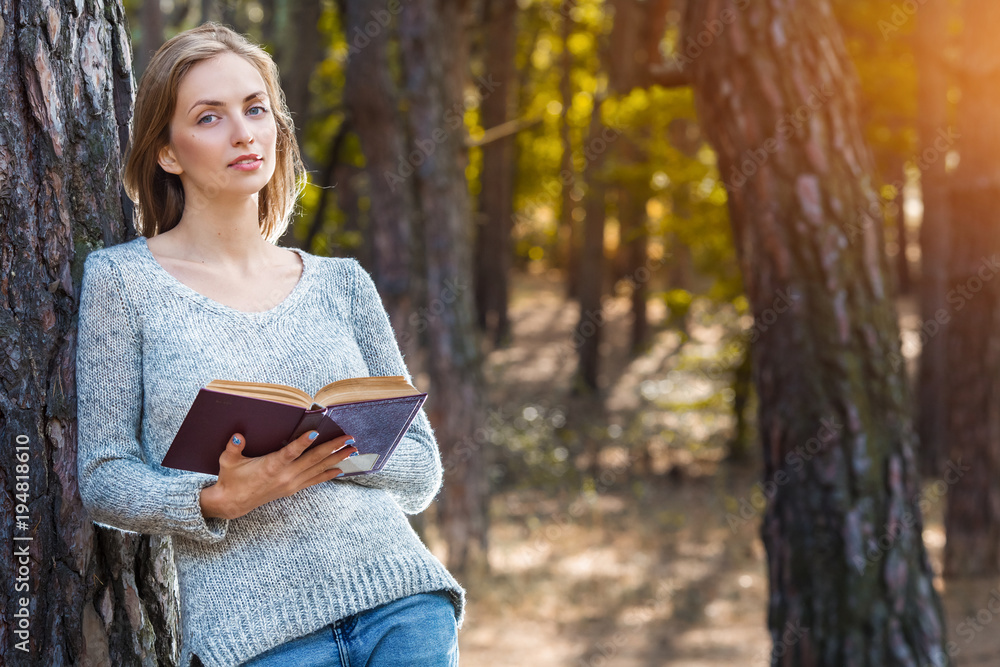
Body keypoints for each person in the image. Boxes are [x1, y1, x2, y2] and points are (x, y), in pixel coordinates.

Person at [74, 22, 464, 667]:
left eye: (255, 109)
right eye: (210, 117)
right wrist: (215, 500)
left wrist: (320, 451)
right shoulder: (122, 281)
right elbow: (103, 476)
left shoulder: (342, 283)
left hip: (402, 606)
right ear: (167, 153)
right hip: (254, 639)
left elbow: (421, 469)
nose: (243, 132)